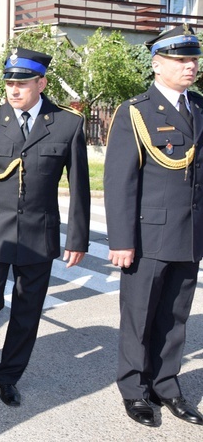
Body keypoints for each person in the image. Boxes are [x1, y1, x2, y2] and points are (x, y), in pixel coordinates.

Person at [0, 48, 90, 407]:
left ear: (41, 83)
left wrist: (78, 238)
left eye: (22, 83)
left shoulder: (67, 124)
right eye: (10, 83)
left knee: (27, 312)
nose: (14, 90)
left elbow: (79, 186)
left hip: (38, 233)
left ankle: (8, 375)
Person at [104, 24, 203, 428]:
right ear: (157, 63)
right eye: (181, 59)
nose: (191, 65)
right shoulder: (136, 111)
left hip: (190, 233)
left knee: (175, 317)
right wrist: (122, 241)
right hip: (148, 236)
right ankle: (134, 389)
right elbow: (119, 181)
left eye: (193, 58)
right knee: (139, 316)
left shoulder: (198, 107)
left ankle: (167, 385)